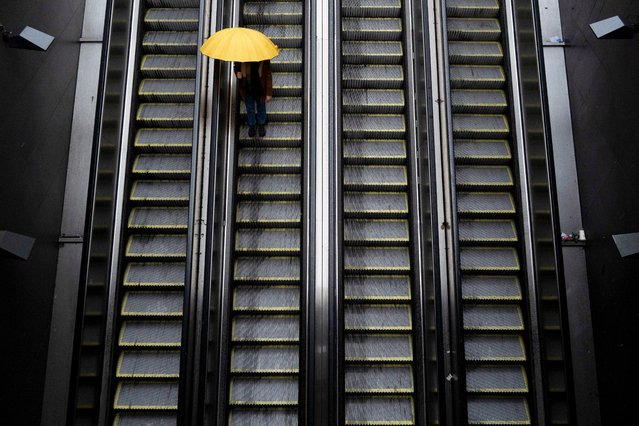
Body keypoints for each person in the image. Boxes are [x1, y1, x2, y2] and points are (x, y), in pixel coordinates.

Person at [234, 60, 273, 137]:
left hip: (259, 87)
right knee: (250, 108)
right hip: (247, 87)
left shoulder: (263, 58)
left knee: (261, 106)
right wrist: (237, 73)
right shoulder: (240, 58)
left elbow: (268, 75)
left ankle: (261, 124)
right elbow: (236, 68)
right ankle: (252, 125)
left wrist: (269, 93)